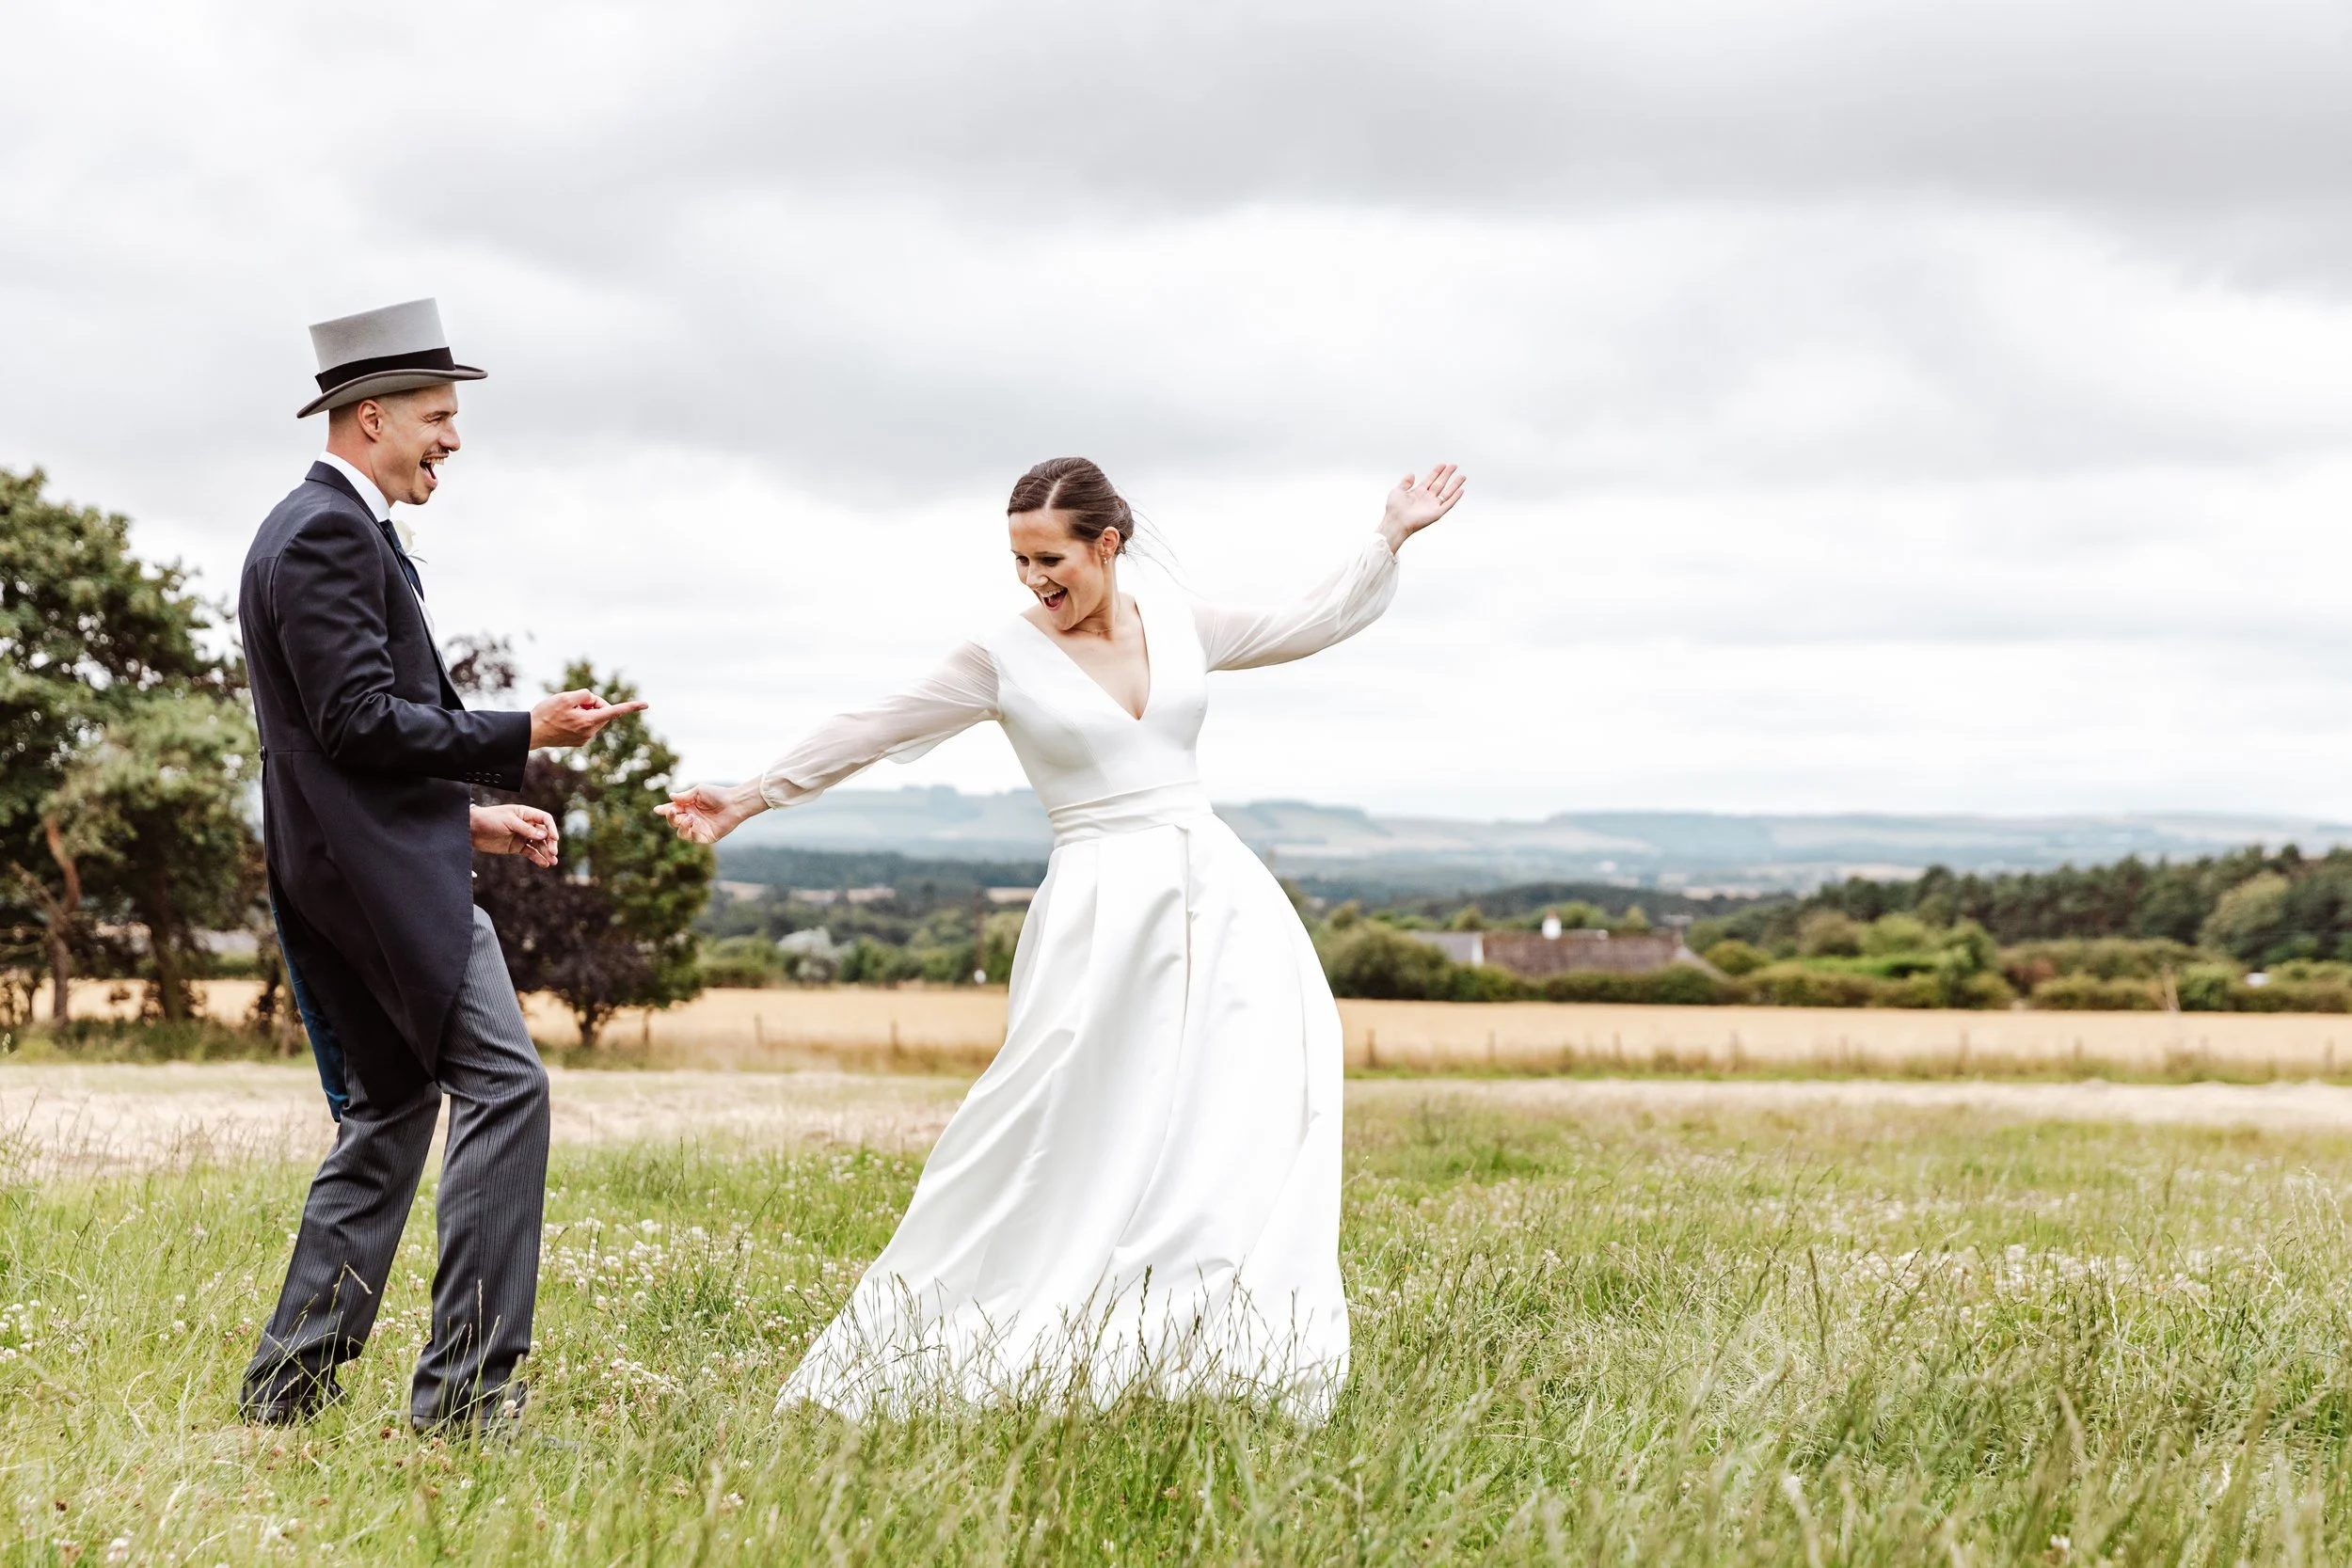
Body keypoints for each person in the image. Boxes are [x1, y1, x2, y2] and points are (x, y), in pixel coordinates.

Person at [660, 456, 1466, 1418]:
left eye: (1050, 557)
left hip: (1218, 897)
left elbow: (1306, 622)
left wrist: (1387, 536)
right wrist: (751, 793)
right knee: (1058, 1109)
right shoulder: (1001, 653)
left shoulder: (1176, 621)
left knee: (1233, 1106)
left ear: (1106, 543)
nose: (1033, 578)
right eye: (1018, 559)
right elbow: (875, 724)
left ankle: (1206, 1332)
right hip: (1098, 910)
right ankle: (980, 1316)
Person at [237, 298, 644, 1432]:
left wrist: (471, 818)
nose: (452, 439)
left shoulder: (323, 528)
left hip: (355, 868)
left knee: (392, 1107)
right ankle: (466, 1397)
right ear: (370, 417)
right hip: (376, 892)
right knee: (506, 1087)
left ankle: (285, 1389)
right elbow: (362, 721)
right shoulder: (322, 532)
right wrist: (526, 733)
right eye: (437, 415)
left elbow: (330, 746)